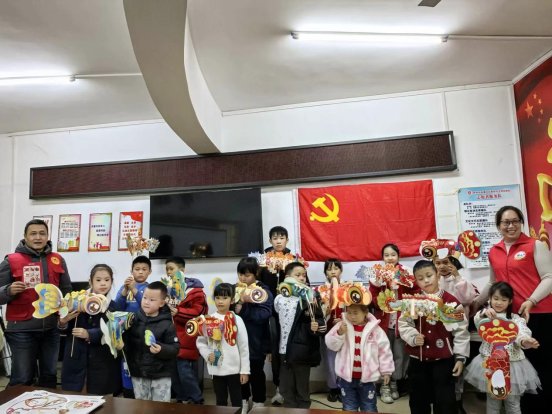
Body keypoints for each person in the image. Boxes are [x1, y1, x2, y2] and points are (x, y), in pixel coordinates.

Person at [476, 205, 552, 412]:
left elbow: (549, 277)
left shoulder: (535, 245)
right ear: (498, 226)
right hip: (508, 318)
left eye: (515, 221)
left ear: (521, 223)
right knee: (516, 367)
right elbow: (493, 283)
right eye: (505, 222)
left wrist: (531, 300)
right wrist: (476, 302)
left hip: (539, 313)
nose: (511, 226)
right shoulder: (494, 251)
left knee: (541, 365)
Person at [0, 219, 72, 387]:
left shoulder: (58, 259)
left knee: (49, 376)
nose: (38, 237)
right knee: (22, 378)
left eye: (42, 233)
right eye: (33, 234)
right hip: (21, 330)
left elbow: (67, 292)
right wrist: (8, 290)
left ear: (47, 236)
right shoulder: (11, 260)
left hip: (51, 329)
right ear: (25, 237)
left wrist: (65, 314)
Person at [398, 260, 470, 414]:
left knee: (445, 402)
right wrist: (413, 337)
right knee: (418, 400)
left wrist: (460, 357)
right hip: (418, 360)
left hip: (443, 361)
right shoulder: (412, 302)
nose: (426, 280)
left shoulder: (451, 302)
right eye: (420, 278)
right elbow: (404, 324)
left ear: (437, 274)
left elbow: (461, 332)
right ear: (416, 281)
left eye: (429, 275)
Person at [464, 281, 540, 414]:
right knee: (493, 401)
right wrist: (484, 313)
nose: (499, 302)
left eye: (504, 300)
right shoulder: (485, 316)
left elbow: (521, 334)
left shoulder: (516, 319)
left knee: (513, 403)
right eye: (496, 298)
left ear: (510, 301)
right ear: (490, 299)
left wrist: (526, 341)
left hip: (512, 366)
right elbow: (478, 322)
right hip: (490, 363)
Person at [60, 264, 121, 395]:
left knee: (100, 397)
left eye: (107, 280)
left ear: (112, 281)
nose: (103, 283)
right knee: (74, 395)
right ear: (90, 281)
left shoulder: (114, 306)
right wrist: (62, 322)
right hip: (76, 355)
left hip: (102, 359)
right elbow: (64, 328)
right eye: (98, 280)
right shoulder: (76, 302)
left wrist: (90, 334)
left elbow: (113, 331)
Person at [274, 262, 326, 409]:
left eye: (304, 275)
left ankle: (303, 408)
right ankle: (290, 408)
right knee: (286, 388)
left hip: (302, 350)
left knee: (302, 389)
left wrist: (314, 327)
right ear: (288, 277)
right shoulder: (279, 298)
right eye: (298, 275)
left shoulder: (310, 296)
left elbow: (319, 320)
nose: (302, 278)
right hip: (283, 350)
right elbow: (276, 318)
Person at [325, 303, 395, 412]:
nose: (352, 316)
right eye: (349, 313)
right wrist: (339, 333)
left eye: (356, 313)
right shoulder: (342, 326)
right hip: (346, 379)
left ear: (365, 313)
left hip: (368, 380)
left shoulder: (375, 330)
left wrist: (386, 371)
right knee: (349, 408)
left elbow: (384, 351)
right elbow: (331, 345)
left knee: (369, 408)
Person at [434, 254, 479, 414]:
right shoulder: (434, 280)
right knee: (442, 367)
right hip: (439, 332)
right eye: (437, 263)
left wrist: (457, 277)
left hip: (458, 330)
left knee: (458, 364)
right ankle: (442, 399)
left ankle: (458, 399)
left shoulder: (461, 280)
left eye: (445, 262)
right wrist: (436, 278)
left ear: (453, 263)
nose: (441, 266)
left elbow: (467, 299)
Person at [368, 243, 412, 403]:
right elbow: (372, 298)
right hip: (384, 323)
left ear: (398, 256)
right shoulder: (377, 273)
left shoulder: (406, 272)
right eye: (386, 255)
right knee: (383, 355)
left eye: (393, 254)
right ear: (382, 258)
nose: (390, 258)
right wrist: (379, 289)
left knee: (399, 355)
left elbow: (414, 292)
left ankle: (394, 384)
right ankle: (384, 386)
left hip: (401, 323)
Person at [197, 283, 250, 409]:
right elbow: (201, 342)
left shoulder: (237, 320)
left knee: (236, 401)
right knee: (220, 401)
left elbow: (244, 347)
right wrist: (207, 355)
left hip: (234, 370)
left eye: (225, 298)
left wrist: (244, 371)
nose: (220, 301)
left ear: (232, 300)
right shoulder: (208, 320)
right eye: (218, 297)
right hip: (216, 369)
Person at [124, 281, 179, 402]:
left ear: (161, 303)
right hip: (138, 373)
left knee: (160, 408)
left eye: (152, 300)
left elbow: (175, 348)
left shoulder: (167, 324)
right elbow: (128, 343)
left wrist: (161, 349)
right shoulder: (134, 319)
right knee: (141, 406)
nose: (146, 302)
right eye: (144, 298)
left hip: (161, 374)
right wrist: (120, 342)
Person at [257, 225, 293, 405]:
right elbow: (258, 285)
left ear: (287, 240)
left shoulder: (293, 260)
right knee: (274, 349)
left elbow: (303, 282)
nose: (278, 241)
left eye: (282, 238)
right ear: (270, 240)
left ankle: (289, 388)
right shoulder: (263, 261)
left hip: (290, 312)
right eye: (275, 238)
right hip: (270, 313)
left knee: (288, 349)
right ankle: (278, 389)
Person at [234, 257, 274, 412]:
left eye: (247, 275)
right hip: (237, 341)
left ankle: (258, 402)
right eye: (240, 274)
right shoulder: (235, 288)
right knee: (240, 372)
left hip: (257, 340)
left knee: (256, 372)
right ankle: (243, 400)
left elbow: (264, 314)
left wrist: (243, 308)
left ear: (256, 273)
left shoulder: (263, 291)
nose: (243, 278)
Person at [167, 256, 208, 404]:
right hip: (171, 339)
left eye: (171, 269)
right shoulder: (167, 290)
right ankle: (181, 399)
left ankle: (197, 400)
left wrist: (178, 312)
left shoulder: (195, 291)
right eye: (167, 269)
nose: (169, 272)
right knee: (175, 374)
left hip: (187, 338)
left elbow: (199, 313)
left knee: (186, 374)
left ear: (182, 270)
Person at [115, 255, 152, 396]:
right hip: (125, 331)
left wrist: (134, 290)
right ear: (131, 271)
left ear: (150, 272)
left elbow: (147, 306)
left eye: (144, 269)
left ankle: (142, 391)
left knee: (141, 361)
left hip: (142, 331)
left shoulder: (150, 288)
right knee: (125, 362)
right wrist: (125, 290)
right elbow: (117, 307)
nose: (140, 272)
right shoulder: (124, 287)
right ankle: (128, 390)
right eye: (137, 269)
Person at [318, 258, 344, 402]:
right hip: (328, 331)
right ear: (325, 273)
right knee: (330, 361)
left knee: (345, 360)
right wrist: (325, 312)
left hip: (345, 330)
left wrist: (343, 319)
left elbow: (355, 310)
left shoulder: (348, 288)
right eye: (329, 269)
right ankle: (333, 388)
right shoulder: (320, 290)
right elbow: (316, 314)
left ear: (341, 270)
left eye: (336, 268)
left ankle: (344, 387)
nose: (333, 272)